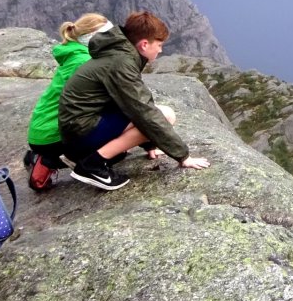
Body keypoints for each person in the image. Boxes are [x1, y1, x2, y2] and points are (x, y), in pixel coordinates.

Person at [58, 10, 210, 190]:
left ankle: (93, 158)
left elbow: (127, 105)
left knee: (156, 115)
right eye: (159, 44)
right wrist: (183, 156)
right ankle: (92, 165)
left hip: (79, 129)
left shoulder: (118, 54)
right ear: (144, 44)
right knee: (165, 115)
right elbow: (144, 112)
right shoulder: (121, 63)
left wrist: (150, 143)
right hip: (81, 135)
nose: (160, 50)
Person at [23, 13, 113, 191]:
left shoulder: (77, 55)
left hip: (41, 132)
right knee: (115, 147)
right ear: (93, 38)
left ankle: (42, 156)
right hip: (54, 135)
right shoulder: (86, 61)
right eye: (108, 36)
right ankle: (49, 160)